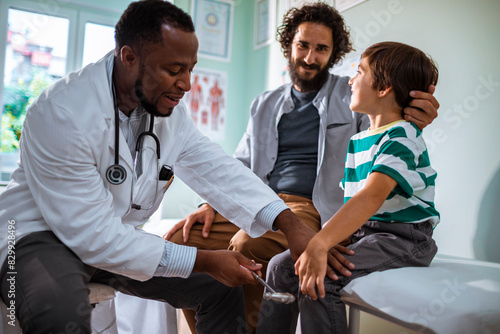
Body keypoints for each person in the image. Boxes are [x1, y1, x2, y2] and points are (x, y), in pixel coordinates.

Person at [0, 1, 316, 333]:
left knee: (219, 289)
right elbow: (92, 236)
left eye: (191, 68)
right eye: (174, 69)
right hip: (37, 236)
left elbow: (218, 170)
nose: (187, 84)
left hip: (111, 239)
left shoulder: (165, 113)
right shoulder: (62, 113)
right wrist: (204, 260)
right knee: (59, 312)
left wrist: (288, 223)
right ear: (129, 58)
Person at [166, 3, 440, 332]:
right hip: (258, 197)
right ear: (289, 46)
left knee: (246, 245)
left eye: (321, 49)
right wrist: (211, 203)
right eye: (303, 46)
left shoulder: (351, 94)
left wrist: (416, 114)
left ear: (333, 53)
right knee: (181, 242)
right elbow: (241, 162)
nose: (310, 58)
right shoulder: (264, 103)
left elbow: (390, 122)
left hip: (307, 205)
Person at [257, 41, 440, 334]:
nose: (351, 81)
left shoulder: (403, 137)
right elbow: (353, 203)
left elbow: (371, 196)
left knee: (322, 278)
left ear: (383, 88)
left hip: (403, 238)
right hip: (364, 231)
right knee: (280, 266)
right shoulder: (359, 140)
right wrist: (325, 239)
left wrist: (320, 244)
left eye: (359, 73)